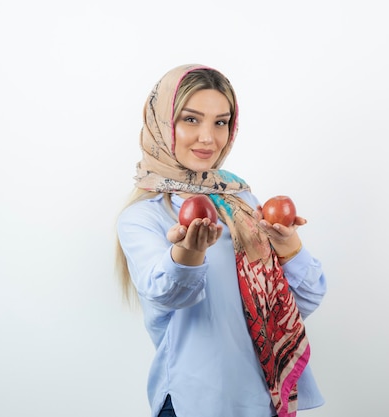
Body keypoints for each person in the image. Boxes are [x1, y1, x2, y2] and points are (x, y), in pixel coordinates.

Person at [115, 64, 327, 417]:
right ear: (162, 124)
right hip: (197, 402)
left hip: (263, 399)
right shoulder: (142, 217)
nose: (208, 138)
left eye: (220, 122)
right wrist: (188, 253)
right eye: (190, 119)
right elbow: (169, 295)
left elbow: (303, 301)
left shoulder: (241, 203)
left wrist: (289, 248)